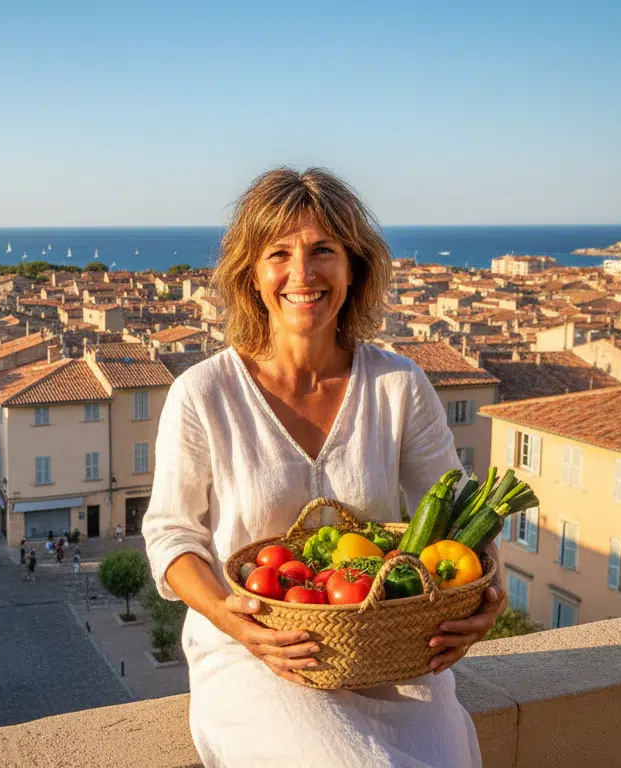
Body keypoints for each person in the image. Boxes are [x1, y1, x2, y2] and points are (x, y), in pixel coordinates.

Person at [142, 168, 502, 768]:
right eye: (278, 254)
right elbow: (170, 535)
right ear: (252, 275)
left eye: (323, 251)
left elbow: (459, 505)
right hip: (260, 653)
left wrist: (487, 594)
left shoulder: (397, 385)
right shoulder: (204, 394)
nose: (302, 274)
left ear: (353, 268)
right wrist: (232, 622)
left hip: (390, 645)